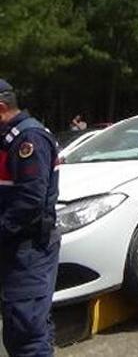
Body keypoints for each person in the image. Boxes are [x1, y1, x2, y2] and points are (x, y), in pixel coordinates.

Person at [0, 79, 61, 356]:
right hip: (14, 247)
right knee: (22, 328)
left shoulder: (29, 139)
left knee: (27, 333)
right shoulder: (9, 138)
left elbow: (29, 202)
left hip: (28, 248)